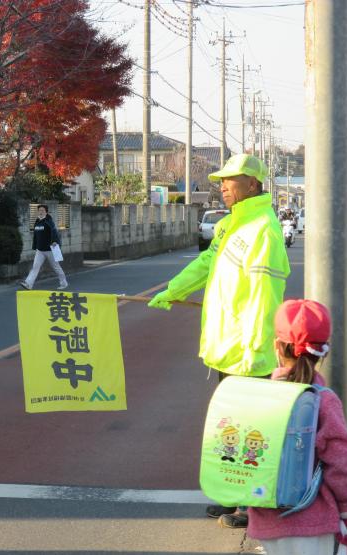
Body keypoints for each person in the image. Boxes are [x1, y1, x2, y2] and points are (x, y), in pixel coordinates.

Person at [147, 153, 290, 529]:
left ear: (254, 185)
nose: (222, 185)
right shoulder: (230, 226)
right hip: (229, 351)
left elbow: (264, 298)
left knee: (252, 432)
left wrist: (254, 351)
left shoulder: (264, 229)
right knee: (231, 429)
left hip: (249, 354)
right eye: (221, 180)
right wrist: (172, 290)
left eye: (231, 179)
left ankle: (251, 506)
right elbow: (206, 264)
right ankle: (233, 497)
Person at [248, 299, 347, 555]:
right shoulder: (323, 400)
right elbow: (341, 462)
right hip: (312, 522)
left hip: (266, 520)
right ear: (324, 350)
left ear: (277, 347)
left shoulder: (260, 396)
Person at [19, 204, 68, 290]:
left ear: (46, 212)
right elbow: (36, 235)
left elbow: (54, 232)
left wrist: (55, 241)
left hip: (50, 250)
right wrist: (35, 246)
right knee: (35, 267)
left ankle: (63, 283)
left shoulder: (49, 221)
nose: (41, 212)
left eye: (42, 210)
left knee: (56, 267)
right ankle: (28, 284)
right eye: (39, 210)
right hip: (40, 250)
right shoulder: (37, 222)